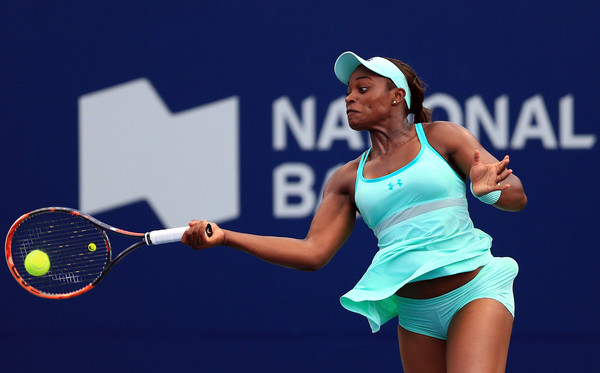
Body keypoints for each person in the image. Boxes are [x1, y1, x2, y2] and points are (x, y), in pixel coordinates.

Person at [182, 51, 527, 373]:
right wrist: (226, 237)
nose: (349, 98)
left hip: (475, 292)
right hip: (415, 314)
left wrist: (489, 193)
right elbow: (312, 252)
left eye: (363, 89)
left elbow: (518, 196)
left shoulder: (443, 137)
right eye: (348, 92)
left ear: (397, 96)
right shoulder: (346, 179)